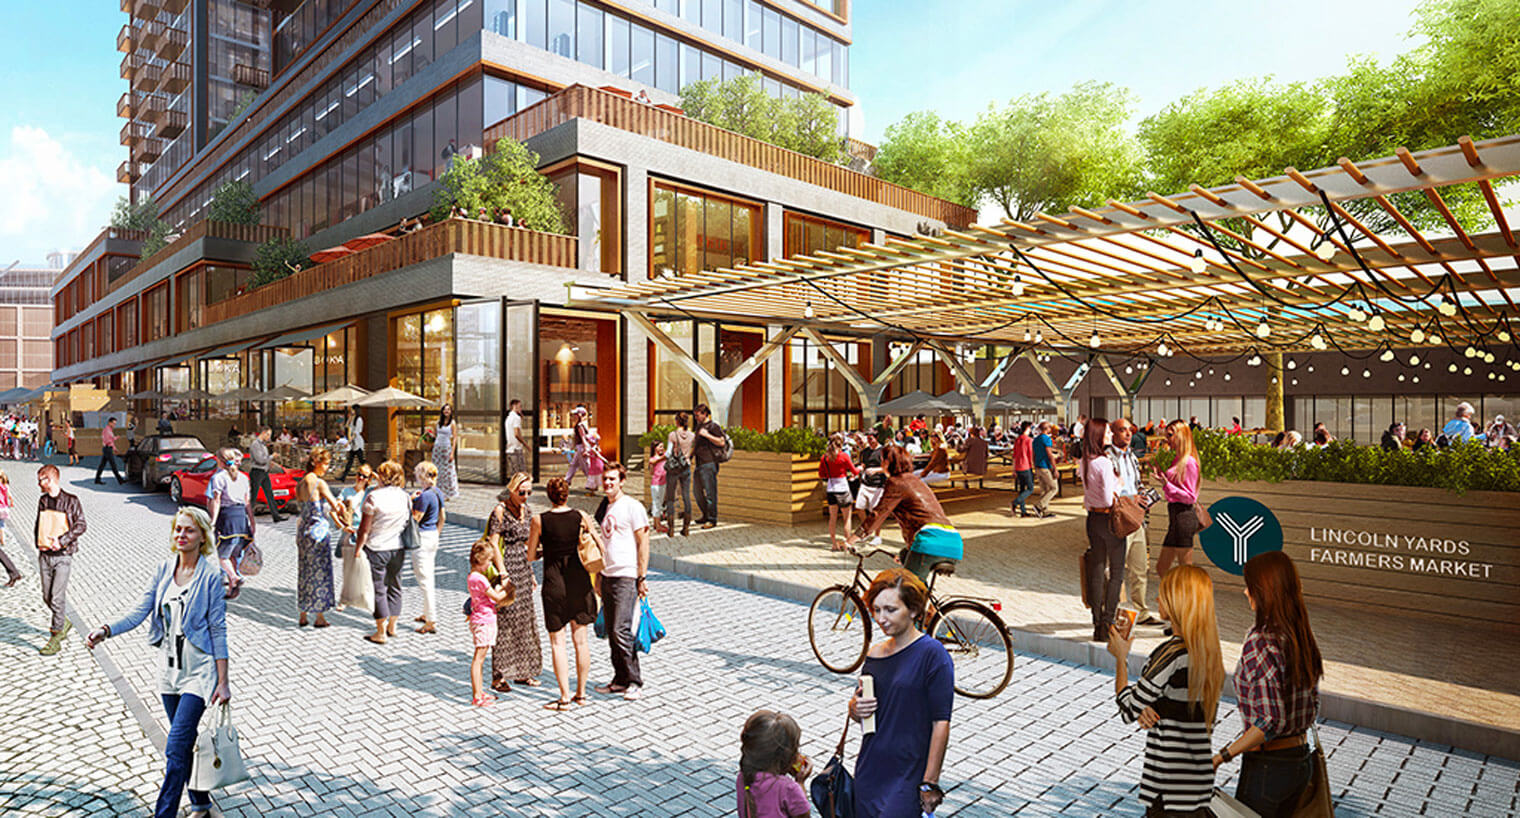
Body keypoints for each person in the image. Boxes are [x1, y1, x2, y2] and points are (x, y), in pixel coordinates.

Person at [85, 507, 231, 818]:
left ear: (202, 536)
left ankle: (163, 813)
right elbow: (141, 612)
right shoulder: (164, 569)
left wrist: (223, 680)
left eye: (189, 530)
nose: (181, 535)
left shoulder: (210, 576)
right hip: (169, 671)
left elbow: (218, 628)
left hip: (199, 672)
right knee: (185, 742)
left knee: (175, 748)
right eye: (178, 529)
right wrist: (107, 630)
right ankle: (201, 802)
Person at [1107, 565, 1224, 817]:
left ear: (1178, 602)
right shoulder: (1209, 650)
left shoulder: (1172, 653)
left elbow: (1128, 709)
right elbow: (1179, 704)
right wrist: (1151, 706)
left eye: (1164, 594)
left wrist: (1120, 657)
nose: (1158, 599)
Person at [1215, 551, 1324, 817]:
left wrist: (1220, 757)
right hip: (1301, 760)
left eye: (1249, 586)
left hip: (1268, 767)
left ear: (1264, 591)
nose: (1244, 592)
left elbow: (1268, 721)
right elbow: (1311, 705)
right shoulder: (1299, 635)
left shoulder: (1262, 641)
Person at [847, 568, 952, 817]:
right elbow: (860, 707)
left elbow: (941, 722)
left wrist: (930, 782)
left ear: (914, 610)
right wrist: (853, 707)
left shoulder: (933, 655)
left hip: (909, 774)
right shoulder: (874, 654)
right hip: (870, 769)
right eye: (877, 609)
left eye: (891, 610)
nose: (881, 618)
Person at [527, 477, 598, 710]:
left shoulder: (539, 520)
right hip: (579, 581)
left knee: (558, 644)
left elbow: (530, 555)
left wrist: (543, 552)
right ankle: (582, 694)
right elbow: (598, 544)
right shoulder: (581, 516)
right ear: (567, 494)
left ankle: (564, 697)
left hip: (554, 583)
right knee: (581, 642)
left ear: (548, 496)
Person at [848, 447, 963, 585]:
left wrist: (852, 539)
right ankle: (929, 606)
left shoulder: (896, 482)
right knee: (907, 563)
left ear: (887, 462)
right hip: (953, 541)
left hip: (930, 541)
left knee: (906, 590)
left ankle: (914, 603)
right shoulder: (916, 480)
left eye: (882, 460)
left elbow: (878, 513)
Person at [594, 462, 650, 701]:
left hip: (626, 575)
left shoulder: (632, 507)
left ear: (622, 481)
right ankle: (619, 679)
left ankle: (634, 680)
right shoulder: (605, 507)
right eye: (605, 479)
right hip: (607, 574)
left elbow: (643, 541)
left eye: (613, 479)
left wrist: (642, 575)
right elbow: (604, 544)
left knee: (621, 629)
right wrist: (598, 574)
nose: (608, 483)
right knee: (611, 629)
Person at [486, 472, 543, 691]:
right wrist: (503, 573)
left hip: (523, 569)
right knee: (505, 623)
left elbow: (529, 545)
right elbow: (493, 544)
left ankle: (523, 672)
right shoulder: (500, 511)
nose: (525, 496)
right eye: (522, 492)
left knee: (525, 621)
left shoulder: (527, 511)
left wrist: (531, 573)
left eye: (529, 492)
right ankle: (499, 676)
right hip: (507, 567)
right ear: (512, 489)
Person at [354, 460, 410, 645]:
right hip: (398, 547)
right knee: (395, 586)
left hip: (377, 547)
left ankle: (380, 632)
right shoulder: (405, 496)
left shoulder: (373, 497)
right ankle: (392, 626)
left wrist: (358, 548)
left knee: (378, 589)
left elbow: (364, 529)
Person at [1112, 419, 1162, 627]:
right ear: (1113, 433)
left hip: (1137, 517)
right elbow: (1110, 492)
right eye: (1122, 430)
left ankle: (1141, 612)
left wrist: (1143, 495)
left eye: (1130, 430)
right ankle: (1115, 612)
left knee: (1140, 567)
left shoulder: (1131, 456)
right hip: (1120, 518)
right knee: (1116, 570)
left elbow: (1135, 483)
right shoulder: (1108, 458)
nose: (1128, 434)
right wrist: (1132, 499)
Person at [1079, 419, 1125, 643]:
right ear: (1098, 435)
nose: (1109, 435)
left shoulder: (1085, 461)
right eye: (1106, 432)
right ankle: (1109, 622)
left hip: (1092, 519)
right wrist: (1119, 483)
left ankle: (1097, 623)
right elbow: (1109, 497)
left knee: (1096, 571)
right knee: (1116, 573)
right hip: (1109, 520)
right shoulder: (1104, 463)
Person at [34, 464, 85, 654]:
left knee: (56, 597)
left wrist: (62, 541)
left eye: (41, 479)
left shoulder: (71, 501)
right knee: (47, 597)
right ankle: (63, 620)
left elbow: (81, 525)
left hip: (63, 556)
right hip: (45, 554)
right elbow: (39, 524)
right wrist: (38, 543)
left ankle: (55, 638)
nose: (38, 483)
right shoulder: (43, 500)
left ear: (51, 479)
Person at [295, 448, 344, 628]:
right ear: (316, 462)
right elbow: (334, 506)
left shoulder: (300, 483)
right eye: (325, 463)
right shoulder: (318, 482)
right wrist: (343, 506)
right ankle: (320, 617)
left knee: (304, 572)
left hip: (303, 531)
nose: (327, 467)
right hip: (318, 532)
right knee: (320, 574)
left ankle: (303, 613)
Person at [736, 710, 812, 818]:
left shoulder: (744, 777)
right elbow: (804, 815)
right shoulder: (788, 788)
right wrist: (800, 782)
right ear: (787, 755)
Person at [465, 538, 512, 708]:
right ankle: (477, 696)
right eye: (489, 561)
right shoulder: (481, 579)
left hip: (482, 618)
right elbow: (497, 597)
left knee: (481, 658)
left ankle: (480, 691)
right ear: (480, 561)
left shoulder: (473, 576)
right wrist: (505, 587)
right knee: (479, 659)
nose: (490, 564)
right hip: (484, 621)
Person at [206, 448, 255, 600]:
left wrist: (212, 522)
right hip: (241, 518)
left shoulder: (218, 478)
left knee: (223, 557)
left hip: (227, 518)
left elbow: (217, 501)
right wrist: (252, 522)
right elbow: (247, 503)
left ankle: (234, 577)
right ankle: (233, 590)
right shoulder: (243, 478)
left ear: (219, 460)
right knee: (234, 555)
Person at [1156, 422, 1201, 578]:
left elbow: (1190, 497)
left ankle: (1187, 601)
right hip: (1175, 517)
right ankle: (1173, 599)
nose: (1166, 438)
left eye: (1170, 435)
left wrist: (1166, 485)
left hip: (1184, 517)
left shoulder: (1189, 462)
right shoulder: (1178, 459)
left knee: (1185, 571)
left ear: (1181, 436)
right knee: (1162, 568)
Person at [410, 461, 446, 634]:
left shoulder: (424, 496)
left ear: (421, 476)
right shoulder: (437, 492)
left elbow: (416, 518)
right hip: (432, 536)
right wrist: (437, 533)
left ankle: (431, 619)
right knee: (428, 575)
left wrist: (410, 503)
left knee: (424, 580)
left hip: (422, 538)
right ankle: (426, 613)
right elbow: (443, 517)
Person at [336, 464, 375, 612]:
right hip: (351, 533)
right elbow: (336, 507)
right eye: (359, 474)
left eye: (365, 476)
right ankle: (345, 599)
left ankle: (365, 597)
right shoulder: (347, 491)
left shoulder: (370, 492)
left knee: (366, 568)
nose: (361, 478)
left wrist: (374, 477)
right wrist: (341, 524)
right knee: (348, 568)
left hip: (366, 533)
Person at [819, 432, 861, 551]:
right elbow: (854, 471)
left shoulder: (825, 457)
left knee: (832, 518)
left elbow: (821, 474)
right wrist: (861, 468)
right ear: (841, 443)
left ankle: (834, 544)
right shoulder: (844, 456)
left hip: (830, 489)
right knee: (847, 518)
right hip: (842, 489)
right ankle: (847, 544)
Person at [692, 403, 727, 529]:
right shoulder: (699, 427)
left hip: (709, 463)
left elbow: (722, 442)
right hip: (699, 463)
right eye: (695, 415)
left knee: (710, 492)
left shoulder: (713, 426)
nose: (696, 418)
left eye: (697, 415)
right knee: (697, 491)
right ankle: (705, 515)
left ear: (705, 414)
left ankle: (712, 519)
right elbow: (696, 445)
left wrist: (707, 435)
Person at [664, 412, 695, 537]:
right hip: (685, 467)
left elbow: (668, 453)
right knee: (686, 496)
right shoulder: (692, 435)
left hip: (673, 469)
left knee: (670, 497)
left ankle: (671, 529)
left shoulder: (673, 435)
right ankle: (686, 528)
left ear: (677, 421)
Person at [246, 427, 285, 523]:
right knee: (253, 496)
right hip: (257, 472)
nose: (269, 437)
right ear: (263, 433)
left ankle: (276, 516)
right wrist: (272, 457)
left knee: (269, 494)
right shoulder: (255, 444)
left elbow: (264, 459)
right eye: (268, 435)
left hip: (264, 471)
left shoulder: (263, 445)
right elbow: (260, 460)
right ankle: (246, 516)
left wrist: (269, 463)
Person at [853, 429, 889, 522]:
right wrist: (860, 468)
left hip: (878, 485)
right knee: (859, 507)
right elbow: (864, 464)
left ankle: (876, 533)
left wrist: (876, 470)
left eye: (871, 439)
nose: (869, 441)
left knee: (875, 511)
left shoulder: (884, 451)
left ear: (877, 438)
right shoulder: (865, 452)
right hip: (866, 484)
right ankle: (867, 527)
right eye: (868, 439)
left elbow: (888, 468)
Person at [431, 403, 460, 500]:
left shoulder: (452, 423)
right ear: (442, 411)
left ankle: (449, 493)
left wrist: (452, 452)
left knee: (448, 471)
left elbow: (455, 438)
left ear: (451, 411)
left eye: (448, 409)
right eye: (445, 409)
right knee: (437, 470)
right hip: (437, 448)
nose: (446, 411)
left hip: (446, 448)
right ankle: (437, 491)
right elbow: (435, 435)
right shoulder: (437, 422)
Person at [1031, 421, 1058, 519]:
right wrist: (1055, 469)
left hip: (1038, 466)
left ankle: (1044, 511)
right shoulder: (1047, 439)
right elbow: (1050, 455)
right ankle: (1039, 506)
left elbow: (1033, 454)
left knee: (1044, 490)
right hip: (1045, 466)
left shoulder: (1035, 439)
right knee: (1054, 488)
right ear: (1048, 429)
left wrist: (1035, 465)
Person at [1011, 421, 1036, 517]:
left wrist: (1013, 469)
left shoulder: (1017, 440)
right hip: (1026, 466)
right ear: (1028, 429)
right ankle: (1015, 503)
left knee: (1022, 489)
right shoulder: (1029, 440)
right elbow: (1030, 455)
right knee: (1030, 488)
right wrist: (1033, 466)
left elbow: (1014, 455)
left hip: (1018, 466)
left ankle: (1023, 510)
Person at [95, 416, 125, 485]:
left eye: (115, 424)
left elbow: (111, 441)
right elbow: (107, 440)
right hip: (107, 449)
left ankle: (97, 479)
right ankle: (120, 480)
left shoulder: (109, 430)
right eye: (113, 423)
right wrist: (114, 438)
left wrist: (114, 448)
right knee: (113, 465)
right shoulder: (106, 430)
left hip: (108, 449)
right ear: (109, 422)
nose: (114, 425)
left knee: (102, 465)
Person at [503, 398, 528, 479]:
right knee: (521, 473)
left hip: (510, 448)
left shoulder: (508, 418)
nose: (521, 408)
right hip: (516, 449)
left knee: (514, 474)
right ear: (514, 406)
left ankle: (513, 490)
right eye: (520, 406)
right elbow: (516, 434)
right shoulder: (516, 418)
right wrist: (526, 445)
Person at [339, 407, 365, 480]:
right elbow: (347, 426)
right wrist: (350, 418)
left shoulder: (359, 419)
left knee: (361, 460)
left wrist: (348, 442)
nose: (352, 411)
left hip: (358, 442)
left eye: (353, 410)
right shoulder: (353, 419)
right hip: (353, 443)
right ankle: (343, 476)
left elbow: (355, 433)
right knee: (350, 460)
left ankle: (369, 472)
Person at [648, 442, 668, 535]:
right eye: (660, 447)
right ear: (655, 448)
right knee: (656, 504)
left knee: (659, 503)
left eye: (662, 447)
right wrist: (652, 465)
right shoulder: (652, 459)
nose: (662, 448)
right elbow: (651, 473)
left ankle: (656, 524)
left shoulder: (663, 457)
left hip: (663, 483)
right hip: (656, 484)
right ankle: (658, 525)